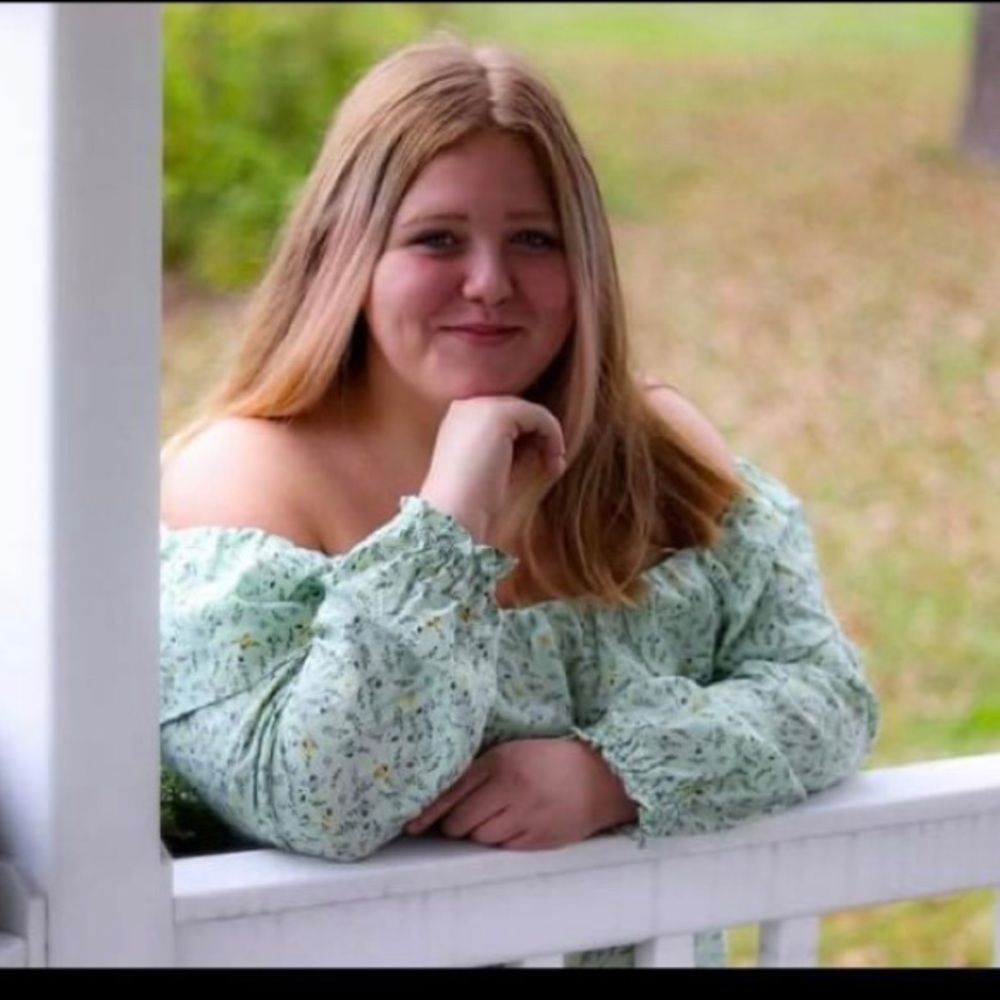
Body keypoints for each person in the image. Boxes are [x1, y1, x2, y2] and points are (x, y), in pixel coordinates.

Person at [159, 33, 879, 965]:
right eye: (437, 239)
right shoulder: (245, 475)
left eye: (534, 239)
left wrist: (610, 773)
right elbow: (325, 796)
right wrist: (448, 522)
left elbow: (828, 694)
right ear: (347, 253)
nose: (490, 284)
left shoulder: (651, 450)